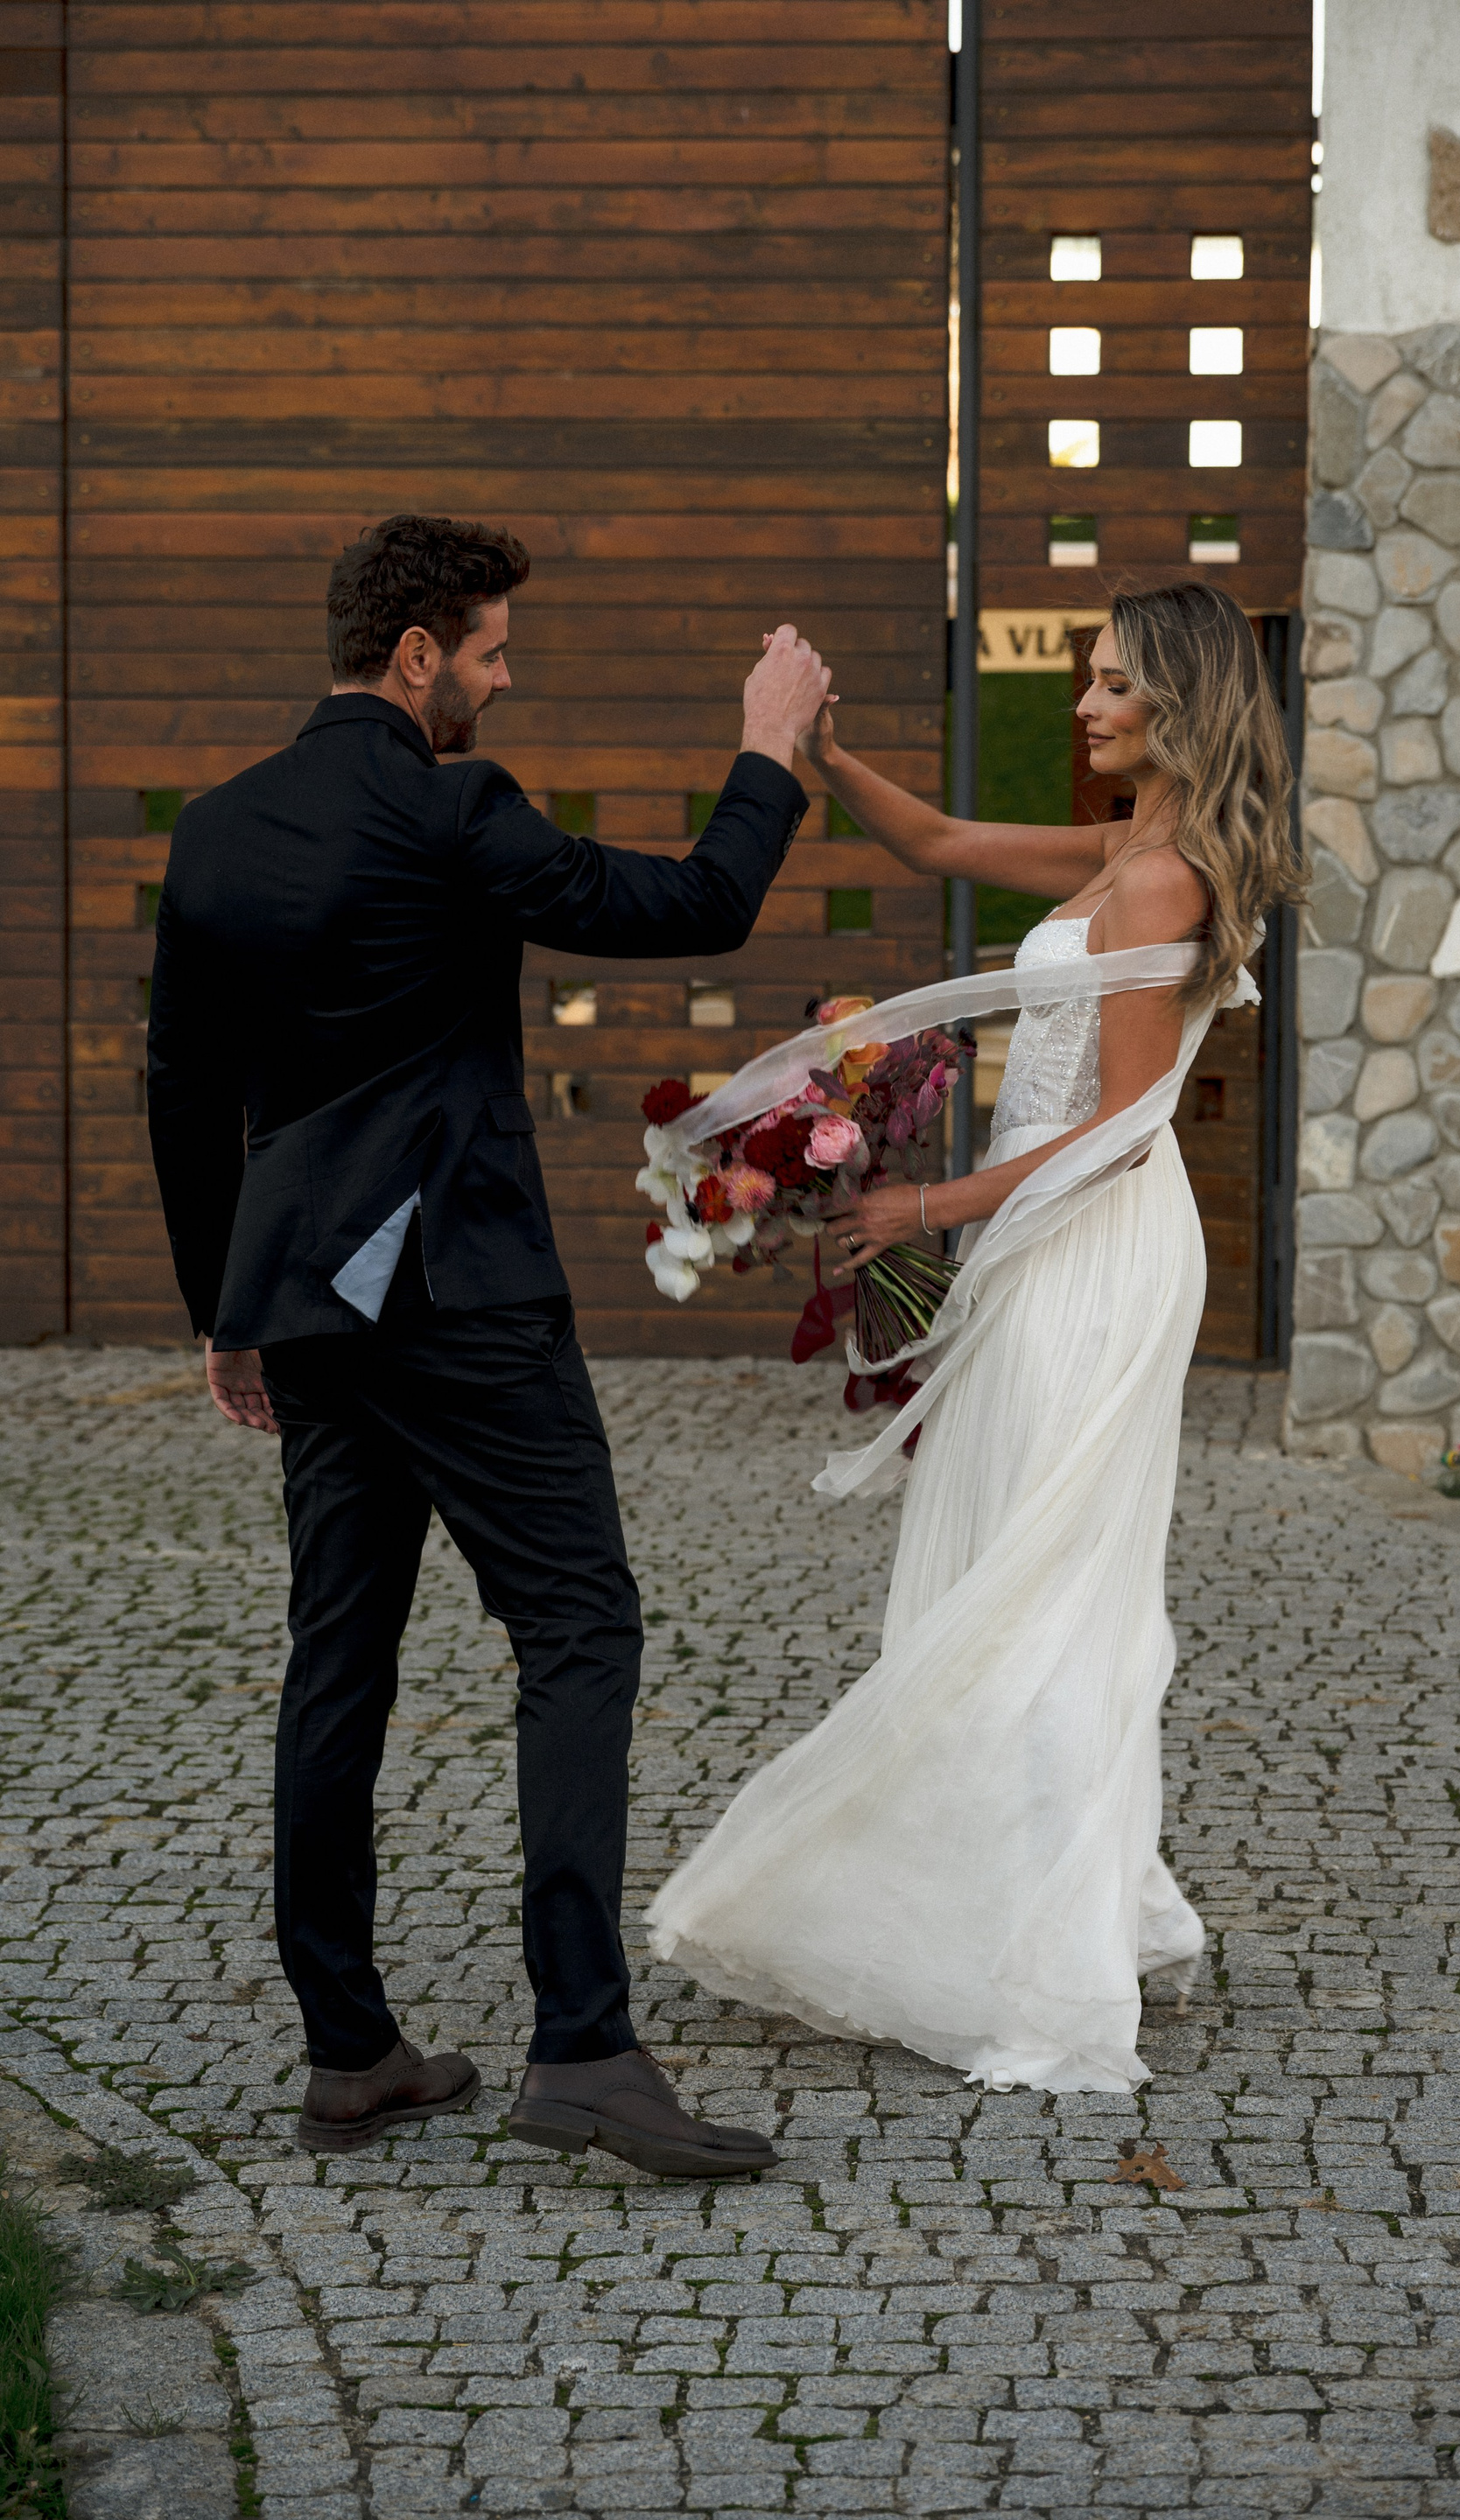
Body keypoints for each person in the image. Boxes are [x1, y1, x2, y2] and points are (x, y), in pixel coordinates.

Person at [147, 513, 830, 2172]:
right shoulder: (456, 809)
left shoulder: (217, 828)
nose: (504, 681)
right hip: (459, 1297)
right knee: (580, 1627)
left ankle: (350, 2052)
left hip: (307, 1305)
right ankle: (584, 2049)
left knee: (339, 1659)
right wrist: (767, 747)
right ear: (416, 657)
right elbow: (700, 904)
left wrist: (224, 1310)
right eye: (493, 651)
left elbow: (182, 1088)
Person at [649, 582, 1303, 2093]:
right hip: (1047, 1232)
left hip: (1097, 1245)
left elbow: (1123, 1128)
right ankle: (1046, 1900)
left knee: (1046, 1581)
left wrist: (926, 1204)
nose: (1086, 705)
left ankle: (1048, 1959)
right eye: (1089, 679)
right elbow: (940, 842)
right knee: (1018, 1556)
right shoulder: (1124, 851)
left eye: (1114, 684)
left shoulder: (1163, 882)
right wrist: (825, 759)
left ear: (1184, 701)